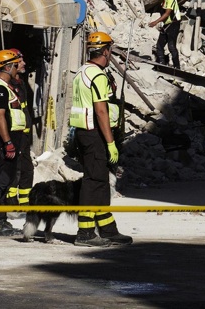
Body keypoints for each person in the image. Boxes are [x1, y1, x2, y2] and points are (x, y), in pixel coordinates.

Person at [69, 31, 132, 247]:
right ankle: (85, 232)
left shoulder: (82, 71)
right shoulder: (97, 75)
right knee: (93, 182)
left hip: (83, 133)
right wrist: (111, 142)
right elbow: (101, 111)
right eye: (110, 50)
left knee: (101, 181)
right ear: (105, 51)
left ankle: (107, 229)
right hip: (93, 133)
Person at [0, 49, 34, 236]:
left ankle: (1, 219)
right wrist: (7, 142)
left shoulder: (8, 86)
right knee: (0, 180)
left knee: (7, 181)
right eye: (15, 64)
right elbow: (0, 116)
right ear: (8, 66)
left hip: (13, 138)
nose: (17, 68)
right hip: (2, 139)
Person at [148, 0, 182, 69]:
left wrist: (155, 22)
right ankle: (161, 65)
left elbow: (167, 13)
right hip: (167, 25)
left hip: (173, 25)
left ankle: (177, 67)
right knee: (159, 46)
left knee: (171, 47)